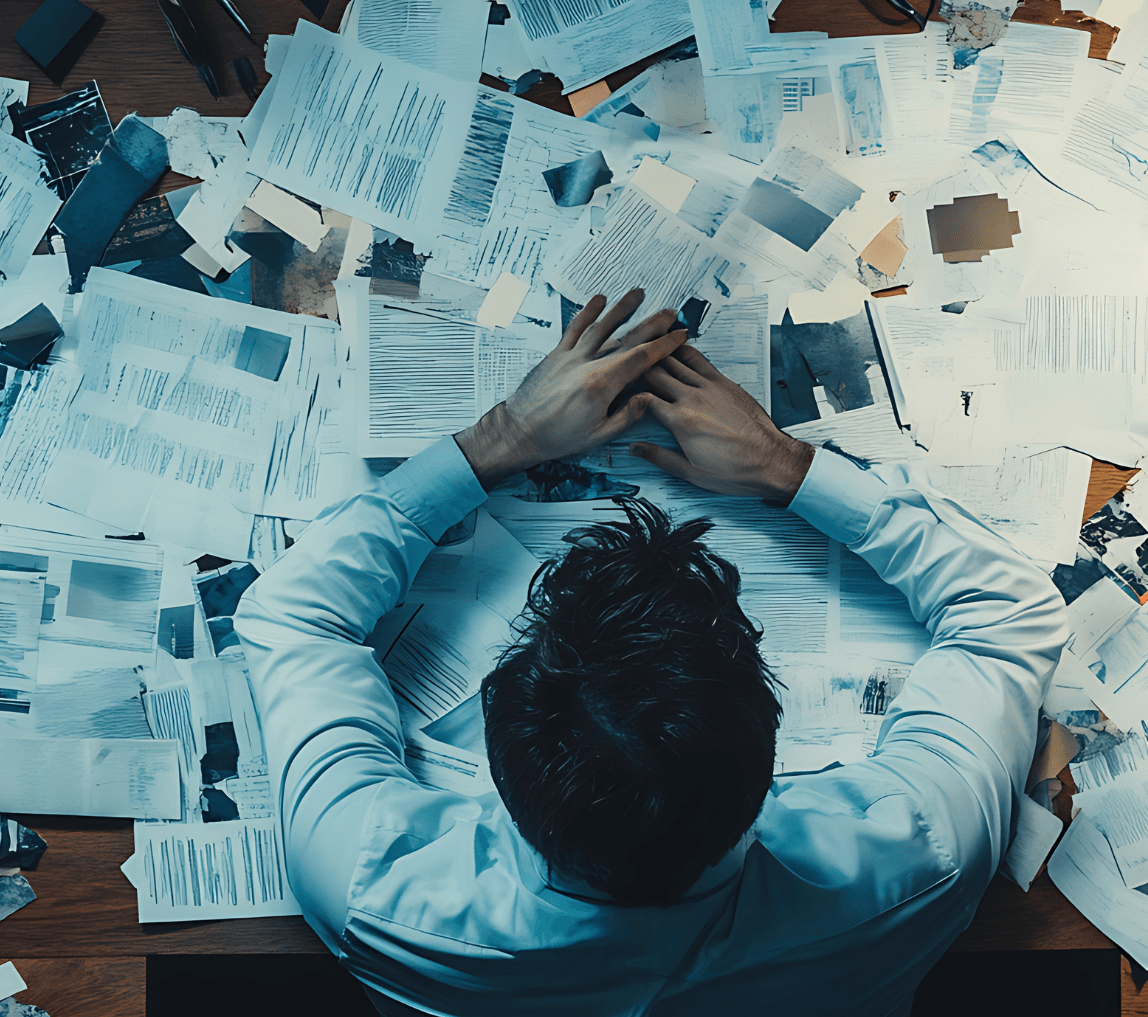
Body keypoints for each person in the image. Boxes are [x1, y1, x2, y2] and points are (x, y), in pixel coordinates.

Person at [235, 290, 1069, 1016]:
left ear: (499, 751)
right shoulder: (919, 863)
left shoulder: (369, 890)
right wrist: (784, 464)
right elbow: (1012, 612)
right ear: (771, 754)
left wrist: (507, 433)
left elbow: (292, 613)